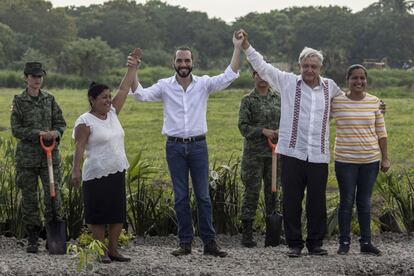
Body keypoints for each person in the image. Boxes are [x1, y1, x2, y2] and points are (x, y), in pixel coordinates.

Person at [129, 33, 243, 257]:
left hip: (199, 146)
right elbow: (140, 95)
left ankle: (210, 244)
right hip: (174, 148)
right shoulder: (164, 86)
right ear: (174, 63)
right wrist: (134, 69)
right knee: (181, 196)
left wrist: (237, 47)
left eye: (187, 61)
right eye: (180, 60)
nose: (183, 64)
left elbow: (230, 75)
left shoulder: (204, 84)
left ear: (192, 63)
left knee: (203, 196)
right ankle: (185, 243)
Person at [239, 29, 343, 257]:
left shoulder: (331, 87)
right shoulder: (287, 82)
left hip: (318, 154)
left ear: (320, 68)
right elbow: (263, 66)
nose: (309, 70)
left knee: (317, 202)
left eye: (314, 66)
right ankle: (294, 244)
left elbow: (348, 106)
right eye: (305, 65)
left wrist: (376, 107)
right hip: (292, 152)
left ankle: (315, 243)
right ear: (299, 66)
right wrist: (246, 45)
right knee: (292, 200)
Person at [71, 49, 140, 263]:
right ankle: (100, 252)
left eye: (109, 97)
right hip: (96, 174)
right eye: (104, 97)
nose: (109, 100)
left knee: (117, 213)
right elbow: (79, 147)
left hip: (117, 169)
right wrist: (76, 170)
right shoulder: (85, 121)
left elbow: (124, 87)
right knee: (98, 214)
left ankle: (113, 250)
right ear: (92, 100)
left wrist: (133, 67)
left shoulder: (112, 113)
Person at [332, 64, 390, 256]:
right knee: (346, 201)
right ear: (347, 80)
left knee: (364, 201)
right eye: (354, 78)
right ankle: (344, 242)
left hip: (370, 161)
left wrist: (385, 158)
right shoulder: (337, 102)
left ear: (366, 80)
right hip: (345, 160)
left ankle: (366, 243)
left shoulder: (375, 102)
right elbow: (320, 119)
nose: (359, 82)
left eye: (362, 78)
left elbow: (381, 133)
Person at [10, 62, 66, 253]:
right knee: (30, 199)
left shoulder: (49, 99)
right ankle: (33, 238)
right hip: (27, 159)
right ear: (26, 78)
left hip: (49, 158)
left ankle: (52, 238)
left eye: (39, 76)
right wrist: (39, 134)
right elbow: (16, 129)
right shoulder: (18, 101)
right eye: (33, 77)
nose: (37, 80)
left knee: (53, 196)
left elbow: (60, 123)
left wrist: (55, 133)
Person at [238, 65, 281, 247]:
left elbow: (287, 121)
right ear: (253, 76)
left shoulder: (278, 99)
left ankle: (273, 234)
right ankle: (247, 234)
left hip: (274, 154)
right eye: (258, 75)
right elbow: (243, 126)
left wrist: (280, 131)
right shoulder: (247, 100)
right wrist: (262, 131)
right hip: (254, 154)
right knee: (252, 192)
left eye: (265, 75)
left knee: (273, 192)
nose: (262, 78)